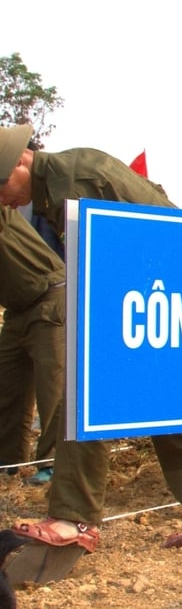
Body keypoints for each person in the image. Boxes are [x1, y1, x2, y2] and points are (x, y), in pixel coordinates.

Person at [0, 123, 182, 553]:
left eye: (1, 187)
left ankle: (74, 519)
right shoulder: (54, 184)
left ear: (22, 162)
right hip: (159, 295)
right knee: (169, 409)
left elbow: (129, 243)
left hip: (150, 294)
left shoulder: (72, 181)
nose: (4, 201)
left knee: (84, 398)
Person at [0, 205, 65, 487]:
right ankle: (9, 464)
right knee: (7, 387)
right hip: (16, 308)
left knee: (52, 390)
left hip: (49, 296)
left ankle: (53, 465)